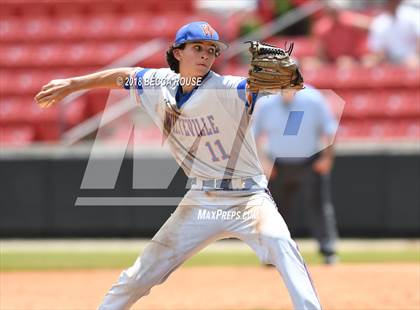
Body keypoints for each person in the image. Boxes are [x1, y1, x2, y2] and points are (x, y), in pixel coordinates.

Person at [34, 22, 322, 309]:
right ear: (177, 52)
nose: (206, 55)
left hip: (248, 198)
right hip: (201, 200)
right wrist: (74, 84)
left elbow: (255, 88)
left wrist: (288, 79)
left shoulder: (226, 88)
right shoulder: (157, 84)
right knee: (141, 273)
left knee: (281, 244)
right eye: (197, 48)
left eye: (211, 50)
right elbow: (123, 75)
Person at [252, 86, 339, 265]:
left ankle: (328, 250)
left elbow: (330, 129)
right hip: (277, 165)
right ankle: (272, 254)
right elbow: (254, 134)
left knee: (318, 208)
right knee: (275, 212)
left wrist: (327, 158)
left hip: (309, 163)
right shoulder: (266, 104)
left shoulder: (314, 99)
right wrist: (263, 161)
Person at [364, 0, 420, 68]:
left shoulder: (411, 15)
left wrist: (417, 56)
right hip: (390, 59)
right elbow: (379, 50)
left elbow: (418, 38)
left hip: (412, 57)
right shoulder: (379, 21)